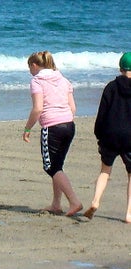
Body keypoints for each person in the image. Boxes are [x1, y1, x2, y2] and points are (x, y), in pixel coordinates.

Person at [22, 51, 82, 216]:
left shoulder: (37, 81)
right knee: (58, 166)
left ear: (34, 65)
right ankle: (56, 204)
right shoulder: (64, 80)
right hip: (69, 125)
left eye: (29, 67)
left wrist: (27, 129)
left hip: (52, 126)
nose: (30, 71)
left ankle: (74, 201)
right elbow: (73, 108)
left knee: (50, 167)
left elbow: (38, 108)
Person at [84, 52, 131, 223]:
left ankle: (95, 201)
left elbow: (102, 114)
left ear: (120, 69)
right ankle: (129, 214)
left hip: (110, 135)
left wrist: (99, 134)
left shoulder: (111, 87)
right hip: (130, 138)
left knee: (105, 171)